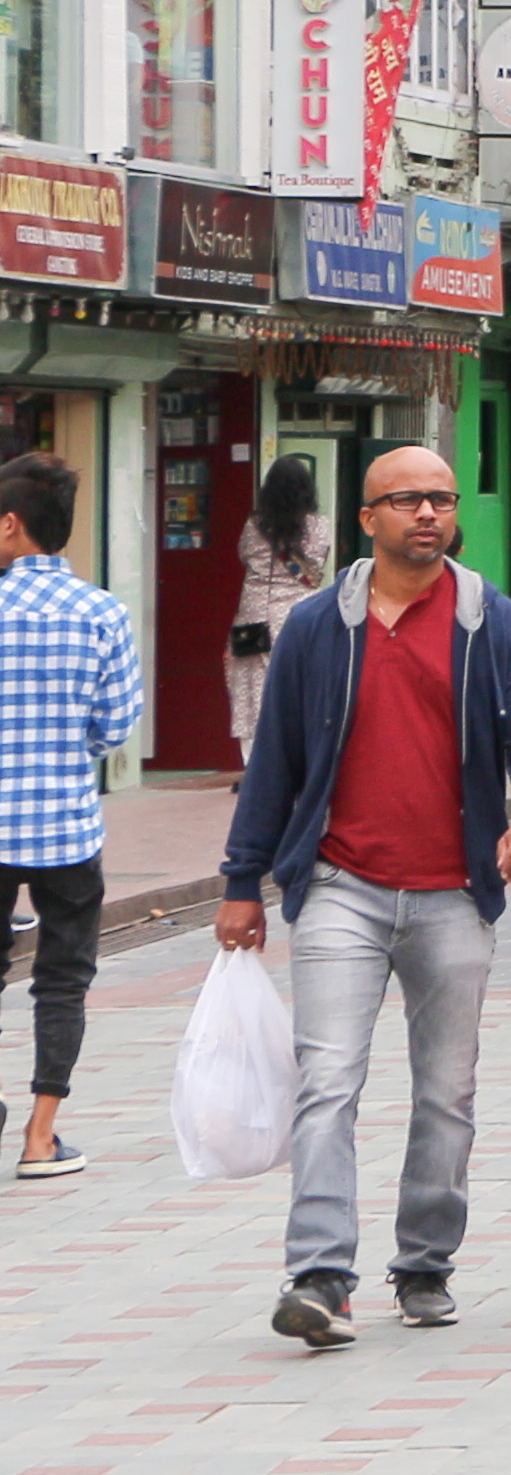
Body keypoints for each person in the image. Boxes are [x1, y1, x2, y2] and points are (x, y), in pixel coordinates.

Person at [219, 443, 511, 1348]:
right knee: (328, 1079)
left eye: (441, 499)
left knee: (446, 1091)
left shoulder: (492, 621)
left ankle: (424, 1261)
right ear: (367, 517)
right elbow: (276, 759)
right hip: (341, 882)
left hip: (454, 891)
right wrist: (242, 879)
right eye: (407, 499)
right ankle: (320, 1274)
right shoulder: (316, 626)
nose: (427, 513)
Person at [0, 456, 141, 1182]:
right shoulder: (102, 612)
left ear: (10, 524)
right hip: (65, 826)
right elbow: (116, 726)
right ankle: (40, 1136)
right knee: (62, 977)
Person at [228, 457, 331, 760]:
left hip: (254, 614)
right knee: (300, 684)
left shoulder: (254, 524)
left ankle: (254, 762)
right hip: (301, 614)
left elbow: (244, 555)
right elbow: (318, 567)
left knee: (249, 686)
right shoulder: (319, 525)